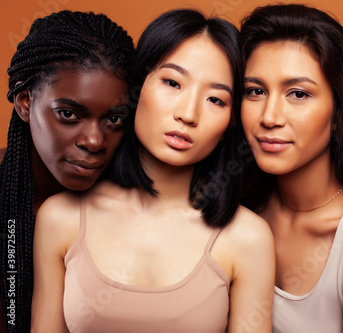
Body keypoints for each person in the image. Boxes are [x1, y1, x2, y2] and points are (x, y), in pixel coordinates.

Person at [31, 8, 275, 332]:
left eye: (216, 99)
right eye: (172, 82)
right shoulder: (61, 218)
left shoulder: (247, 237)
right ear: (137, 87)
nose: (188, 114)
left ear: (231, 122)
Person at [239, 4, 343, 332]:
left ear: (339, 109)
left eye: (298, 94)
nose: (270, 117)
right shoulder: (234, 208)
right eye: (255, 91)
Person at [0, 10, 134, 332]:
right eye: (68, 114)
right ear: (24, 102)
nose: (93, 140)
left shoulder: (135, 204)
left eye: (114, 120)